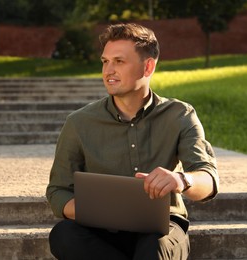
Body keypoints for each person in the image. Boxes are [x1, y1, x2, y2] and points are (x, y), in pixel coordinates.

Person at [46, 23, 219, 260]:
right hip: (101, 232)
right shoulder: (79, 123)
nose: (109, 70)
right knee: (63, 235)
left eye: (119, 61)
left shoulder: (180, 114)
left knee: (154, 247)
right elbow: (58, 191)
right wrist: (99, 212)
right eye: (105, 61)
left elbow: (208, 178)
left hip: (161, 230)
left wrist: (181, 179)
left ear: (148, 66)